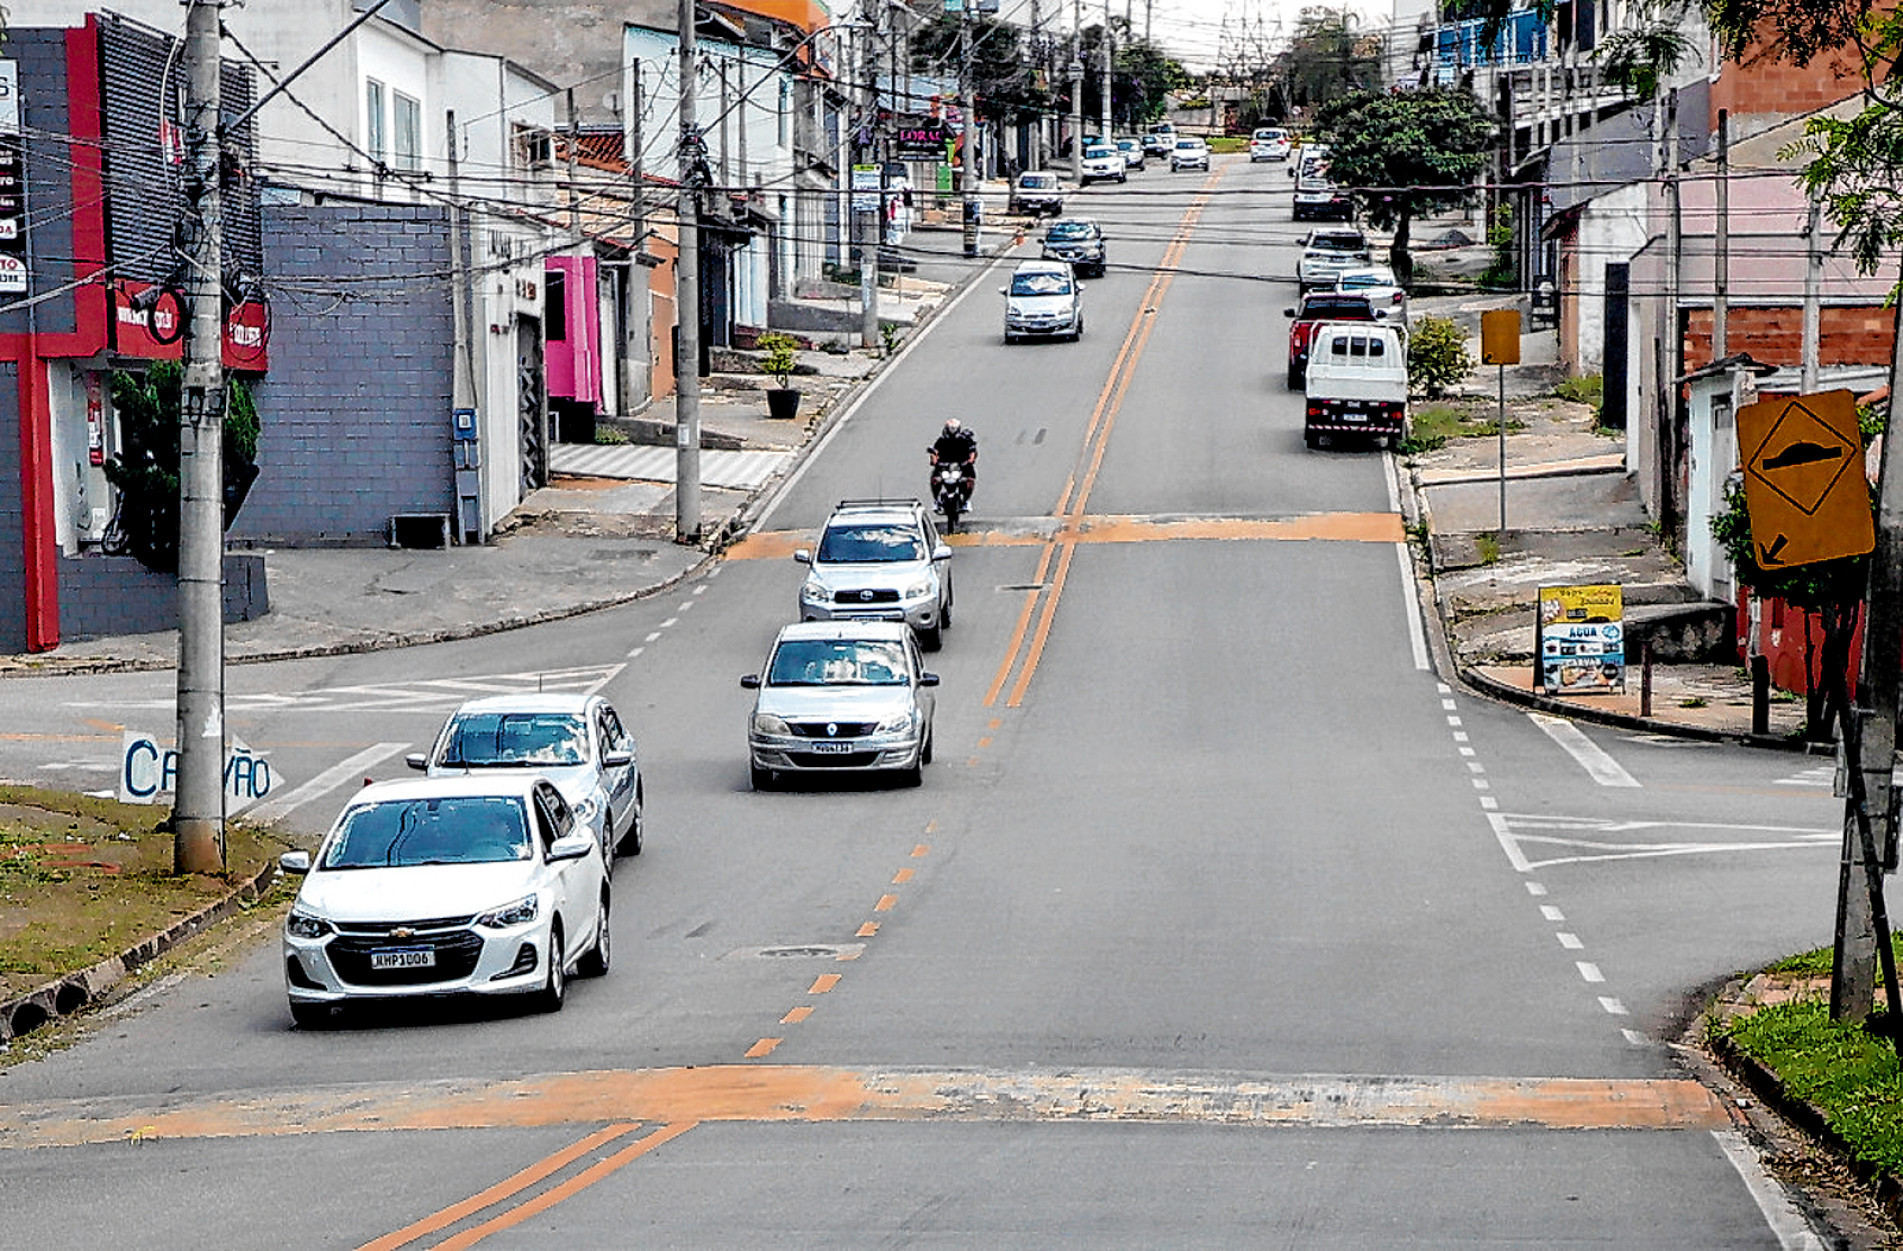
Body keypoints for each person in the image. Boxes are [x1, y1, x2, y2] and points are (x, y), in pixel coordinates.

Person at [929, 418, 978, 491]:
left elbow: (972, 451)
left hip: (962, 465)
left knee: (969, 479)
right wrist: (934, 460)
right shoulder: (942, 440)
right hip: (944, 465)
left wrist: (970, 460)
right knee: (935, 479)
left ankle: (965, 498)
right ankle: (937, 498)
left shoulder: (964, 440)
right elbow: (935, 451)